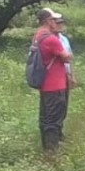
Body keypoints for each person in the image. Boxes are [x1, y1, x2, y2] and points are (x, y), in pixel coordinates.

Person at [33, 9, 71, 152]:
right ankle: (52, 149)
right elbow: (66, 56)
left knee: (45, 116)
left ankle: (46, 146)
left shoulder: (37, 36)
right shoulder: (51, 39)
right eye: (54, 20)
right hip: (55, 84)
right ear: (48, 21)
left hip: (44, 83)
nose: (55, 23)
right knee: (54, 117)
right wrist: (66, 54)